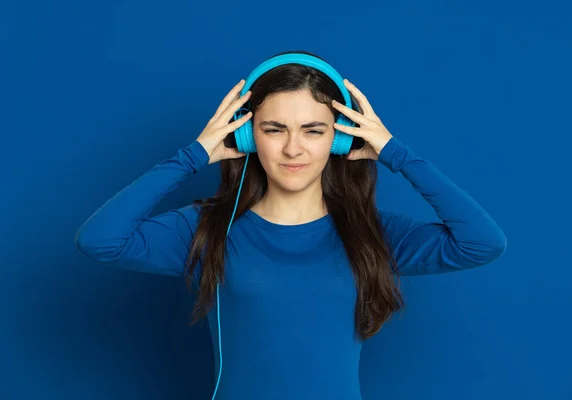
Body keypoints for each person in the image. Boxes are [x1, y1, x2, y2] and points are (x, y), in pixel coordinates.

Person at [74, 50, 507, 400]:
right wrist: (192, 156)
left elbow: (482, 243)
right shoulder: (207, 228)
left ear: (338, 139)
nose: (293, 149)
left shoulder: (372, 232)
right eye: (274, 129)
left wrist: (396, 153)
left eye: (314, 130)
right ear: (247, 136)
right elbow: (100, 240)